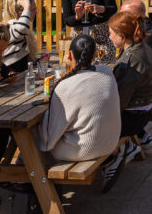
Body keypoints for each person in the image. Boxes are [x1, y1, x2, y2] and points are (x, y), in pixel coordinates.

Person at [36, 34, 121, 162]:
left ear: (69, 55)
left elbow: (48, 141)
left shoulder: (65, 86)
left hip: (82, 149)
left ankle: (29, 173)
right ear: (94, 55)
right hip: (110, 143)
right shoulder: (106, 72)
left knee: (32, 132)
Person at [101, 11, 152, 187]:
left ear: (121, 35)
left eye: (111, 33)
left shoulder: (130, 60)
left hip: (133, 119)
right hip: (145, 109)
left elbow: (118, 103)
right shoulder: (144, 47)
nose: (109, 37)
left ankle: (115, 155)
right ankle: (132, 145)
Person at [2, 0, 39, 74]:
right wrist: (26, 8)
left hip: (19, 72)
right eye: (32, 9)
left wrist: (37, 61)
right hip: (8, 74)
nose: (36, 12)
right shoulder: (11, 27)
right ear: (20, 13)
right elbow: (22, 28)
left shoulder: (21, 28)